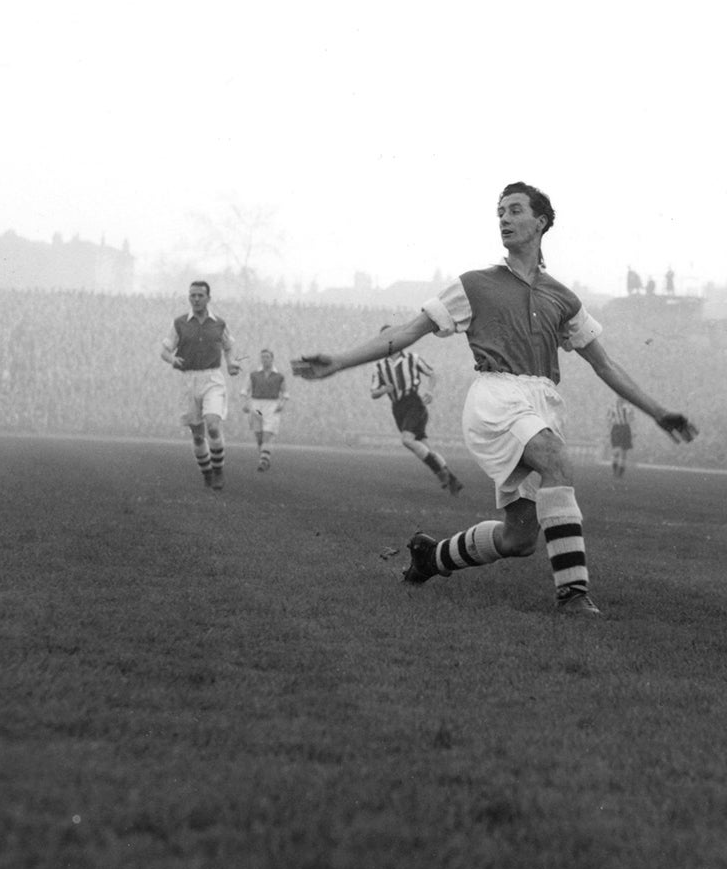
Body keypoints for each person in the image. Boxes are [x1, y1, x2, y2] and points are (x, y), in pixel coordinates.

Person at [294, 182, 698, 615]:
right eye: (500, 211)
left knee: (519, 539)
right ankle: (573, 595)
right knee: (557, 460)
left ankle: (431, 558)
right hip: (497, 395)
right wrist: (339, 360)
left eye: (515, 210)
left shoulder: (563, 297)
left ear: (540, 222)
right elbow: (405, 333)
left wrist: (658, 412)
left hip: (542, 401)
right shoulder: (474, 284)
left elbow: (605, 365)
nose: (503, 219)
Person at [160, 280, 239, 489]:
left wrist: (231, 363)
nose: (195, 299)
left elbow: (229, 346)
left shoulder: (219, 323)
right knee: (197, 435)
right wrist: (172, 359)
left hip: (212, 378)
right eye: (192, 295)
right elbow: (164, 350)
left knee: (213, 425)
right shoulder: (180, 323)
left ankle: (219, 469)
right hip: (188, 380)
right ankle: (206, 472)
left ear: (208, 298)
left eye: (199, 295)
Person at [369, 329, 462, 494]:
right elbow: (373, 393)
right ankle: (452, 479)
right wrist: (384, 389)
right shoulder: (380, 366)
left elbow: (432, 374)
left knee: (407, 440)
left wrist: (430, 391)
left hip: (414, 403)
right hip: (397, 408)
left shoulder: (412, 358)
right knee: (424, 447)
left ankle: (440, 473)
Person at [244, 349, 287, 473]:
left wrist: (281, 404)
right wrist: (246, 404)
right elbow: (245, 390)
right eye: (263, 357)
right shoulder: (254, 375)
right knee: (259, 436)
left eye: (267, 357)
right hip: (257, 406)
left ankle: (263, 460)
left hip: (271, 406)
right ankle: (264, 457)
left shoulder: (279, 376)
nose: (265, 359)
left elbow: (285, 393)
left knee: (267, 433)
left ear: (272, 359)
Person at [608, 399, 634, 478]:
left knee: (624, 452)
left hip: (625, 428)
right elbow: (609, 418)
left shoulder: (629, 407)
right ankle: (615, 470)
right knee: (616, 451)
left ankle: (620, 473)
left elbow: (632, 418)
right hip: (616, 428)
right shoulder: (612, 407)